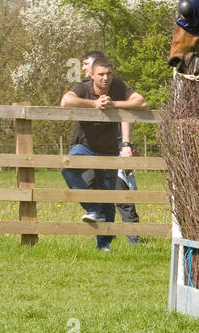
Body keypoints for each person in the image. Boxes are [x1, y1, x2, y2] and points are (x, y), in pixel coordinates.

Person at [60, 54, 146, 251]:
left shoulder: (118, 87)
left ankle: (104, 245)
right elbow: (66, 101)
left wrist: (114, 104)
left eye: (108, 74)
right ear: (92, 75)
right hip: (85, 146)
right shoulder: (83, 88)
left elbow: (140, 103)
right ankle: (93, 208)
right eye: (100, 75)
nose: (105, 78)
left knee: (109, 196)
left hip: (109, 151)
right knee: (68, 168)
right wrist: (95, 104)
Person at [79, 52, 142, 244]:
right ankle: (108, 232)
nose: (82, 68)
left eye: (86, 64)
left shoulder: (116, 87)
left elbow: (131, 109)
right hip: (90, 147)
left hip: (114, 146)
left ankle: (133, 236)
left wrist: (125, 144)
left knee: (120, 189)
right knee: (91, 187)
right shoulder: (84, 88)